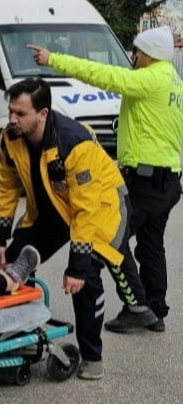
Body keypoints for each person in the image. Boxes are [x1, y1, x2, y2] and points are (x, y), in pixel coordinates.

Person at [0, 78, 158, 381]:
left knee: (86, 278)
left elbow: (85, 211)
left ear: (43, 114)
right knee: (13, 262)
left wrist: (77, 267)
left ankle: (93, 357)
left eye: (20, 113)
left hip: (101, 210)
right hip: (57, 209)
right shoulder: (10, 137)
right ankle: (19, 336)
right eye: (10, 111)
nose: (12, 119)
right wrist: (0, 240)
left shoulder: (74, 142)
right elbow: (6, 190)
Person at [28, 25, 183, 333]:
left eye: (137, 51)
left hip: (145, 181)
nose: (133, 56)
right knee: (151, 247)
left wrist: (54, 59)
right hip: (167, 180)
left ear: (149, 54)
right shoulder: (174, 82)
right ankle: (155, 310)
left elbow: (102, 75)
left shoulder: (150, 79)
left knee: (109, 238)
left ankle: (137, 308)